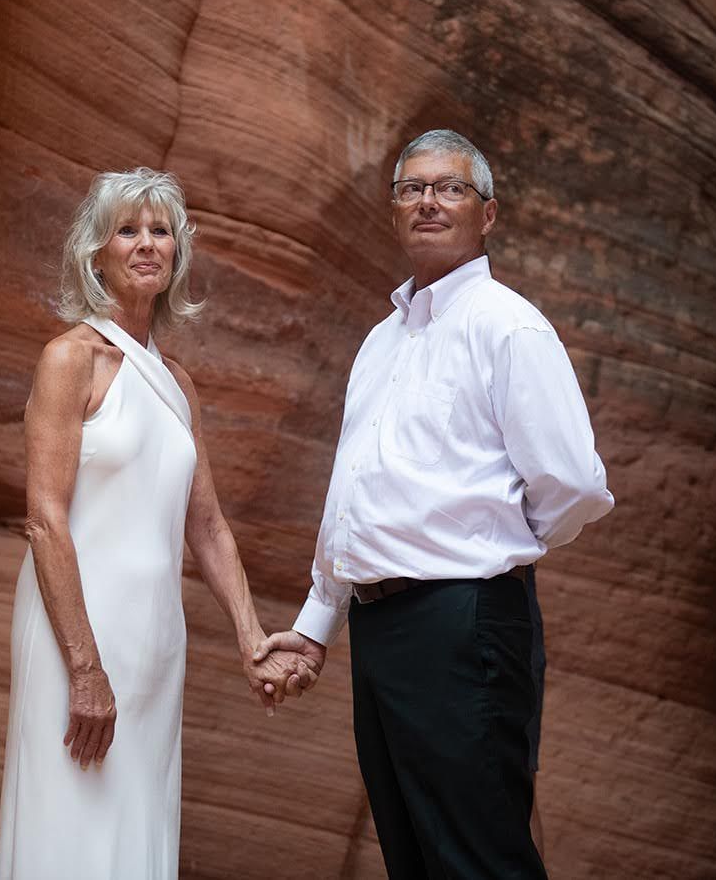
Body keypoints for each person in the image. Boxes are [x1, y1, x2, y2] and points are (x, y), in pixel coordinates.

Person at [256, 129, 613, 879]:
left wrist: (488, 547)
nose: (428, 201)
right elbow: (353, 492)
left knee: (480, 859)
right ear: (393, 212)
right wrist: (316, 623)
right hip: (380, 629)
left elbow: (574, 482)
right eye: (411, 188)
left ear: (488, 214)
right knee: (414, 857)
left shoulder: (507, 324)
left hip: (465, 623)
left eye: (450, 187)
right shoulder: (380, 340)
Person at [0, 167, 314, 880]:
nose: (147, 244)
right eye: (128, 229)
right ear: (96, 251)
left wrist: (250, 636)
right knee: (70, 815)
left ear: (178, 255)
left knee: (136, 821)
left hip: (154, 640)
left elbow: (207, 524)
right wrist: (85, 667)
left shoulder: (178, 384)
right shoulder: (69, 359)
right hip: (76, 632)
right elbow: (45, 519)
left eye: (161, 230)